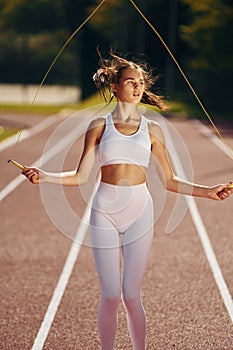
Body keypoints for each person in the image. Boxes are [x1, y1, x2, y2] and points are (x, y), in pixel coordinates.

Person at [22, 50, 233, 350]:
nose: (137, 87)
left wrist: (209, 192)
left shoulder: (154, 130)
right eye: (131, 81)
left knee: (131, 295)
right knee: (109, 294)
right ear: (115, 87)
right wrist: (46, 176)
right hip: (104, 211)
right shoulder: (98, 126)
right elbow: (81, 176)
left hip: (140, 212)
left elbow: (170, 180)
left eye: (141, 82)